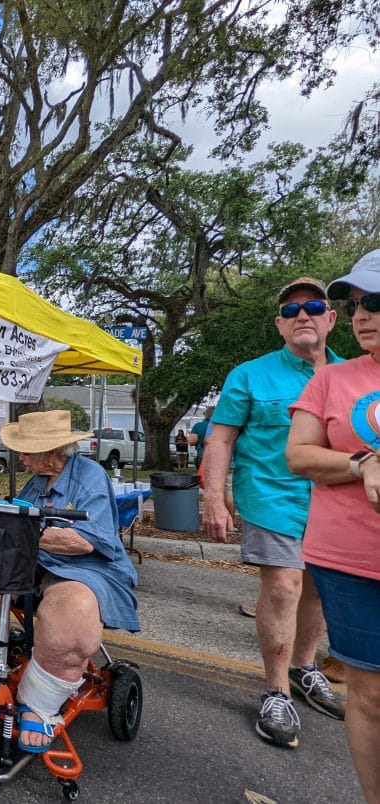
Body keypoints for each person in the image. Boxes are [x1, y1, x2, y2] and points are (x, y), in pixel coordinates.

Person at [203, 276, 344, 749]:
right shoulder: (249, 374)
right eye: (290, 311)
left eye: (313, 306)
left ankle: (306, 667)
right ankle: (277, 690)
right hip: (269, 496)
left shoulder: (354, 375)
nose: (301, 315)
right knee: (284, 586)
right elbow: (220, 438)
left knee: (319, 590)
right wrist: (214, 495)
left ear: (331, 318)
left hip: (336, 501)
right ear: (279, 326)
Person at [0, 410, 138, 751]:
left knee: (72, 611)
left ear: (53, 452)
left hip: (84, 567)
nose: (19, 457)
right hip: (33, 564)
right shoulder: (38, 480)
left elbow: (86, 541)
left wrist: (27, 533)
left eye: (26, 450)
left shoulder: (89, 476)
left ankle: (39, 704)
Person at [286, 250, 380, 803]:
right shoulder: (332, 380)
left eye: (378, 303)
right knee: (368, 694)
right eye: (357, 303)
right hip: (348, 560)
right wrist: (358, 463)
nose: (363, 314)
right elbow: (297, 456)